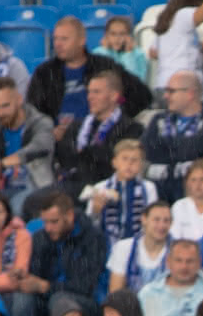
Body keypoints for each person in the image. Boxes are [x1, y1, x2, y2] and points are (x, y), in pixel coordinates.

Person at [28, 18, 152, 131]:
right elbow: (33, 110)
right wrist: (48, 131)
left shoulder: (104, 66)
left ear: (81, 41)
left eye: (64, 39)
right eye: (55, 38)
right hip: (57, 140)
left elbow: (142, 96)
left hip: (98, 138)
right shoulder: (44, 72)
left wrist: (113, 121)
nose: (58, 44)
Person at [53, 70, 146, 200]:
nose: (90, 97)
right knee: (36, 200)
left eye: (96, 92)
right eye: (89, 92)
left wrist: (84, 154)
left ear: (114, 96)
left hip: (104, 187)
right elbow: (62, 156)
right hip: (70, 183)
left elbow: (111, 162)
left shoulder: (131, 129)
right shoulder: (77, 126)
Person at [0, 77, 55, 221]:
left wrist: (1, 164)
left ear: (19, 99)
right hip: (3, 189)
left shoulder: (41, 122)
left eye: (5, 106)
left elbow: (39, 147)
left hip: (37, 186)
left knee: (16, 207)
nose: (0, 113)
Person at [142, 73, 203, 204]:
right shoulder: (158, 119)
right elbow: (148, 150)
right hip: (158, 198)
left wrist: (165, 147)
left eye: (171, 91)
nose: (166, 96)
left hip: (196, 198)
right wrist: (184, 148)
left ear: (190, 94)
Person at [30, 194, 108, 316]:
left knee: (60, 301)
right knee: (22, 299)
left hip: (88, 302)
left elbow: (86, 286)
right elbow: (35, 276)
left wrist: (47, 287)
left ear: (70, 216)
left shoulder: (92, 239)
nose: (48, 228)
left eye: (54, 222)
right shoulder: (40, 238)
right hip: (48, 296)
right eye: (45, 222)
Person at [83, 138, 159, 247]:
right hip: (108, 245)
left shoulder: (148, 188)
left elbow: (152, 220)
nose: (129, 164)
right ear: (114, 162)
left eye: (135, 160)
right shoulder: (100, 187)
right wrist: (96, 211)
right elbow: (90, 224)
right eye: (125, 159)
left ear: (141, 164)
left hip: (139, 244)